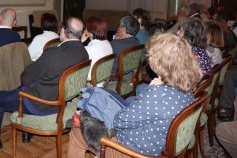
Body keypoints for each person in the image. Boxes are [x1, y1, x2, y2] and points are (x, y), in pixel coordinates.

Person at [67, 33, 200, 157]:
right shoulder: (188, 86)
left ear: (161, 63)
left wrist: (151, 89)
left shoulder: (156, 94)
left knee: (77, 133)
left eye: (152, 55)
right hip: (159, 143)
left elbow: (119, 121)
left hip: (132, 151)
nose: (149, 58)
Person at [0, 17, 89, 150]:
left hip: (40, 103)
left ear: (63, 31)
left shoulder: (54, 54)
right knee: (22, 87)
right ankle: (27, 132)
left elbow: (25, 78)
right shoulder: (84, 53)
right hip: (61, 101)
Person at [82, 17, 113, 83]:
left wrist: (80, 42)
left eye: (86, 28)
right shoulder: (108, 43)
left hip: (90, 84)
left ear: (90, 32)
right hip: (103, 82)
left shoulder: (88, 49)